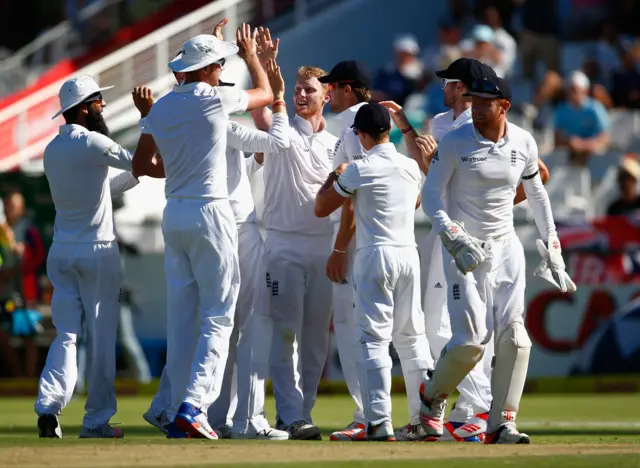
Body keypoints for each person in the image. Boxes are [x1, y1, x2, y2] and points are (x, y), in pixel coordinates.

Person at [132, 25, 273, 440]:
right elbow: (264, 94)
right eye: (220, 64)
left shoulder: (158, 109)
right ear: (210, 69)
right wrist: (252, 59)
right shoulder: (215, 98)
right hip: (211, 212)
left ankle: (172, 406)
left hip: (174, 211)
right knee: (219, 314)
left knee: (183, 320)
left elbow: (142, 166)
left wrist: (175, 170)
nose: (222, 70)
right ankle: (193, 406)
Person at [419, 73, 576, 444]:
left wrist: (552, 243)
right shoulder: (455, 141)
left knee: (516, 339)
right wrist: (451, 233)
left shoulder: (523, 141)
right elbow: (430, 196)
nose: (474, 108)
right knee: (469, 342)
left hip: (507, 249)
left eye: (483, 102)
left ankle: (502, 423)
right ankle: (431, 400)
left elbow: (536, 195)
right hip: (465, 250)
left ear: (503, 106)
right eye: (471, 100)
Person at [35, 75, 157, 439]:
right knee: (102, 337)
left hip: (62, 252)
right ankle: (96, 421)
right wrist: (147, 119)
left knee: (66, 336)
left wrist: (135, 175)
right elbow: (141, 160)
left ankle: (48, 407)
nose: (103, 106)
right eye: (99, 102)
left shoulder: (51, 150)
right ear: (85, 107)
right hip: (96, 251)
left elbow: (100, 188)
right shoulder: (92, 141)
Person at [315, 102, 433, 441]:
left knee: (373, 339)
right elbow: (415, 202)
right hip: (408, 255)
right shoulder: (410, 167)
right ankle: (424, 419)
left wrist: (334, 176)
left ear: (362, 135)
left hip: (375, 256)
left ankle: (379, 421)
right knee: (413, 339)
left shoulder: (357, 169)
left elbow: (322, 208)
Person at [245, 56, 338, 440]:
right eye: (297, 90)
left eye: (309, 90)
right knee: (285, 332)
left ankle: (303, 413)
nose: (301, 95)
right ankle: (288, 414)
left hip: (324, 247)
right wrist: (260, 67)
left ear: (327, 96)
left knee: (317, 339)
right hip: (282, 244)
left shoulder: (338, 144)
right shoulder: (282, 131)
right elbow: (262, 114)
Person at [316, 60, 371, 441]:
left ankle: (366, 415)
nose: (328, 93)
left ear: (348, 88)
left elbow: (351, 193)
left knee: (354, 332)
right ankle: (379, 414)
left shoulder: (351, 126)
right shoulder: (363, 123)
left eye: (332, 87)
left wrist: (338, 248)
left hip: (352, 243)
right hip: (367, 239)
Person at [553, 71, 611, 166]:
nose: (571, 94)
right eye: (570, 90)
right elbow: (557, 136)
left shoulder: (596, 108)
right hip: (569, 155)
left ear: (585, 91)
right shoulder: (561, 110)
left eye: (575, 90)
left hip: (592, 156)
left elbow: (605, 138)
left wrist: (584, 145)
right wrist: (570, 142)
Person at [372, 34, 427, 106]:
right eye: (401, 53)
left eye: (407, 54)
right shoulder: (387, 71)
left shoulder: (419, 74)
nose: (403, 57)